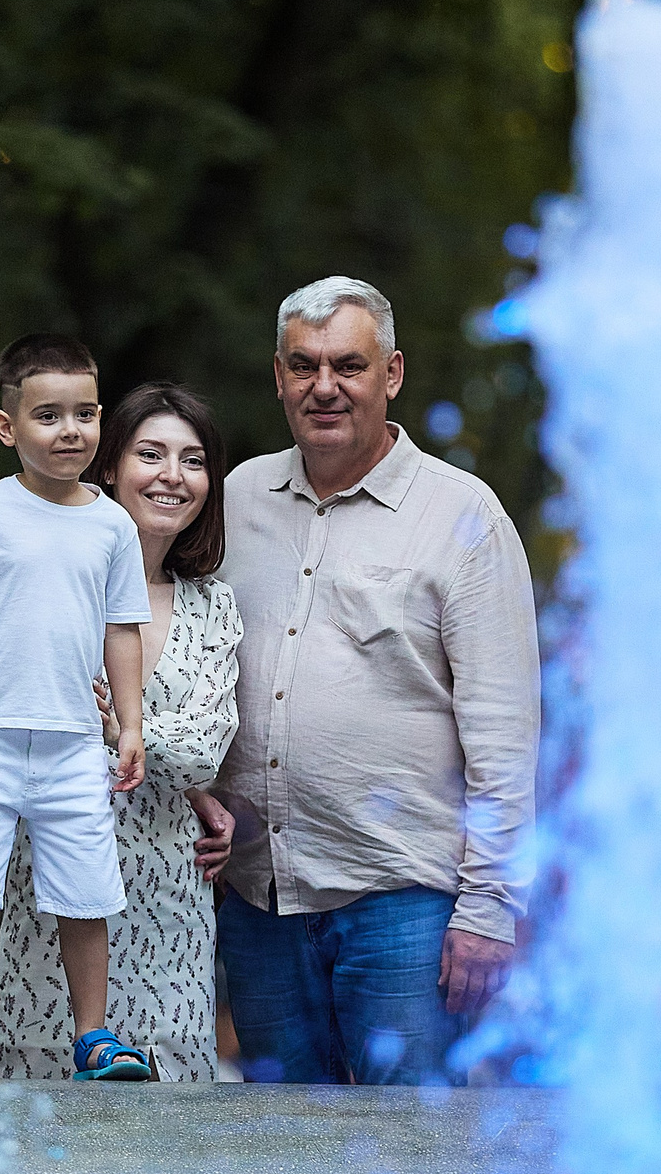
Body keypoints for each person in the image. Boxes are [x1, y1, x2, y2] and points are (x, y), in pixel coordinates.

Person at [211, 276, 540, 1086]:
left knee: (414, 1168)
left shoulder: (464, 516)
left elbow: (503, 736)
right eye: (304, 365)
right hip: (260, 902)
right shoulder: (235, 499)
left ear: (390, 374)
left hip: (405, 905)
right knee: (286, 1166)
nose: (325, 387)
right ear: (279, 376)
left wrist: (491, 910)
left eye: (348, 366)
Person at [0, 333, 153, 1082]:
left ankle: (93, 1035)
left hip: (76, 743)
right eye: (48, 416)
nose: (70, 431)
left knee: (86, 894)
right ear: (7, 427)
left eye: (84, 414)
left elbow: (122, 629)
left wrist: (132, 723)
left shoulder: (112, 524)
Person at [0, 383, 242, 1082]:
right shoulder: (43, 578)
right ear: (108, 467)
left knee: (169, 1146)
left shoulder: (212, 603)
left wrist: (116, 726)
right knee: (39, 1138)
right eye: (150, 454)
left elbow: (205, 748)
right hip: (52, 896)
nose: (172, 476)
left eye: (193, 461)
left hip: (169, 902)